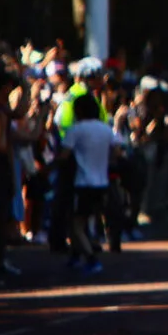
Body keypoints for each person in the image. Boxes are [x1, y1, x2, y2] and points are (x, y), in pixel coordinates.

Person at [58, 87, 123, 276]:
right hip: (101, 182)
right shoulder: (105, 129)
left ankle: (91, 258)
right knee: (88, 219)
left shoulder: (76, 130)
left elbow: (64, 155)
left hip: (82, 182)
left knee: (76, 223)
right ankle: (76, 254)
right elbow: (118, 151)